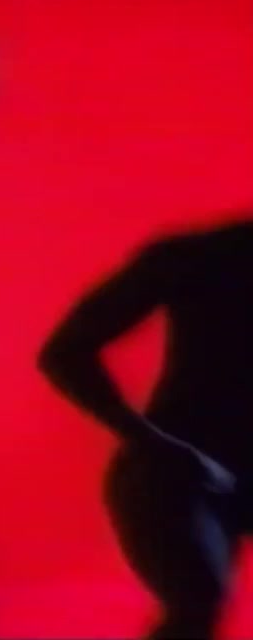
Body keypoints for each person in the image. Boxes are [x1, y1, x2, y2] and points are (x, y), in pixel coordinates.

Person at [40, 227, 251, 640]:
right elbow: (64, 352)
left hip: (184, 468)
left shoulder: (198, 255)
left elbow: (65, 352)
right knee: (195, 607)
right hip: (179, 474)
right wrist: (150, 442)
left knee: (195, 608)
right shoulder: (198, 256)